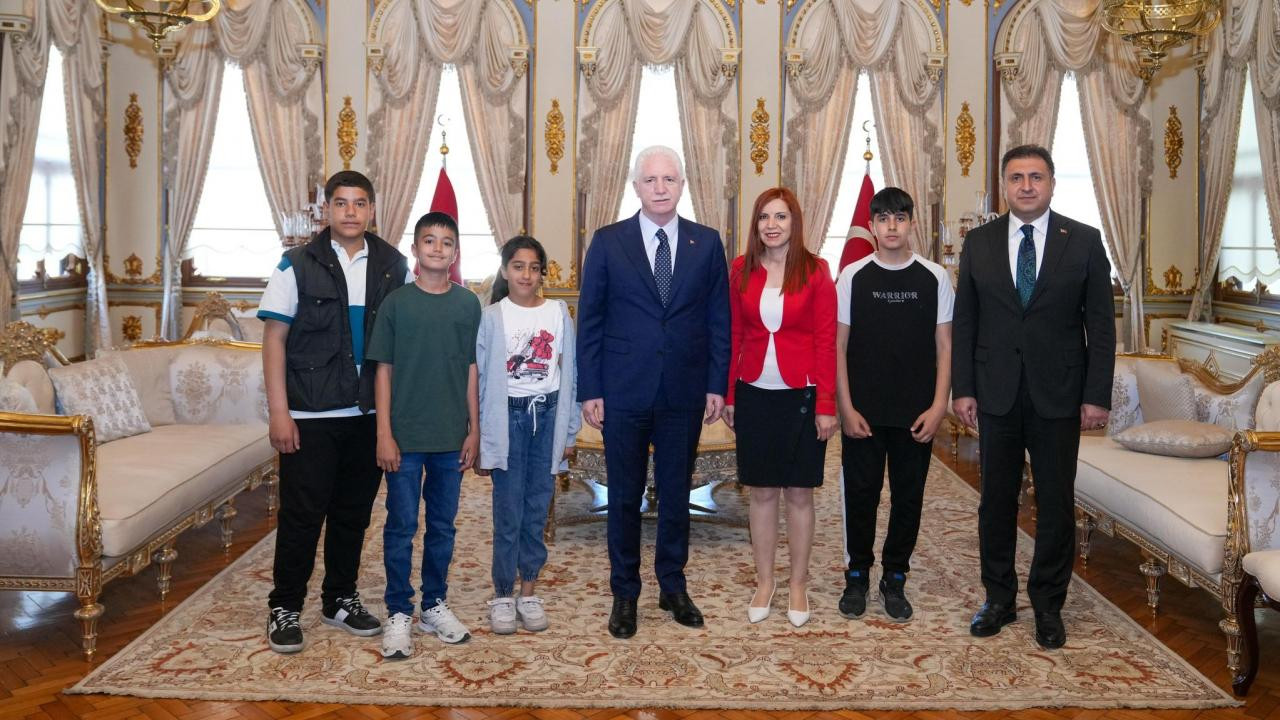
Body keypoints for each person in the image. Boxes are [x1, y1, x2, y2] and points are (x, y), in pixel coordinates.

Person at [951, 144, 1115, 650]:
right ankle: (998, 599)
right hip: (996, 392)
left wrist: (1096, 395)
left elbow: (1101, 326)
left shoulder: (1083, 241)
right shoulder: (979, 242)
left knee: (1056, 502)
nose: (1026, 186)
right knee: (996, 502)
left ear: (1051, 184)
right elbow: (966, 322)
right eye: (1017, 177)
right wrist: (963, 389)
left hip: (1059, 394)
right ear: (1004, 185)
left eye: (1036, 177)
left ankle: (1048, 604)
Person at [576, 145, 731, 639]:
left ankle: (673, 585)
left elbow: (719, 320)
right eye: (650, 180)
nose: (660, 188)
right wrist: (591, 389)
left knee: (676, 494)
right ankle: (625, 592)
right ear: (636, 187)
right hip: (623, 389)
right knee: (623, 496)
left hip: (684, 390)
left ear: (682, 185)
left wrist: (716, 384)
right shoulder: (608, 241)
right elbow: (590, 320)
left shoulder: (707, 243)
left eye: (669, 179)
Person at [258, 170, 410, 654]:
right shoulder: (295, 265)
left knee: (353, 514)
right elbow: (274, 340)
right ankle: (284, 605)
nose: (350, 211)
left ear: (372, 210)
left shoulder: (394, 265)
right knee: (302, 516)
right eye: (341, 203)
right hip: (310, 415)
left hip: (367, 415)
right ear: (326, 209)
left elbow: (403, 344)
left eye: (359, 203)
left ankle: (339, 598)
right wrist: (279, 412)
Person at [366, 211, 482, 659]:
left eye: (446, 242)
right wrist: (384, 433)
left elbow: (470, 369)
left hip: (450, 437)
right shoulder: (397, 304)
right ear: (415, 249)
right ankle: (399, 610)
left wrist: (473, 430)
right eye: (429, 240)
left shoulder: (468, 304)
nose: (437, 248)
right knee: (401, 526)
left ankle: (434, 603)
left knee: (442, 526)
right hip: (405, 438)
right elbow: (383, 370)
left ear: (455, 253)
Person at [835, 187, 953, 624]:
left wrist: (939, 406)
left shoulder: (934, 277)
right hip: (863, 413)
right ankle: (857, 574)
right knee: (861, 494)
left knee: (908, 497)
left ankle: (895, 575)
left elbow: (945, 346)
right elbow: (838, 345)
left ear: (911, 224)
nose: (891, 226)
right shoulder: (853, 276)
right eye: (883, 219)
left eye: (899, 218)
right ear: (872, 226)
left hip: (916, 414)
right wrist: (845, 407)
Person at [724, 187, 836, 628]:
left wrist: (826, 404)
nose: (771, 225)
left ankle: (798, 583)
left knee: (800, 493)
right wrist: (730, 395)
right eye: (764, 217)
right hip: (754, 392)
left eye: (781, 217)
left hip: (802, 395)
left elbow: (826, 341)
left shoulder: (816, 271)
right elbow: (734, 335)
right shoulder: (741, 269)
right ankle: (765, 580)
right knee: (763, 492)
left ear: (795, 222)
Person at [475, 236, 581, 634]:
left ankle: (529, 590)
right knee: (508, 511)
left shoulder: (557, 313)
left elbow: (570, 374)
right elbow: (481, 380)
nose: (526, 275)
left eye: (534, 268)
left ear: (542, 274)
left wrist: (569, 430)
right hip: (507, 420)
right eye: (518, 266)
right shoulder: (492, 316)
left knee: (537, 509)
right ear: (505, 270)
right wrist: (481, 435)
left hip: (547, 418)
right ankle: (503, 593)